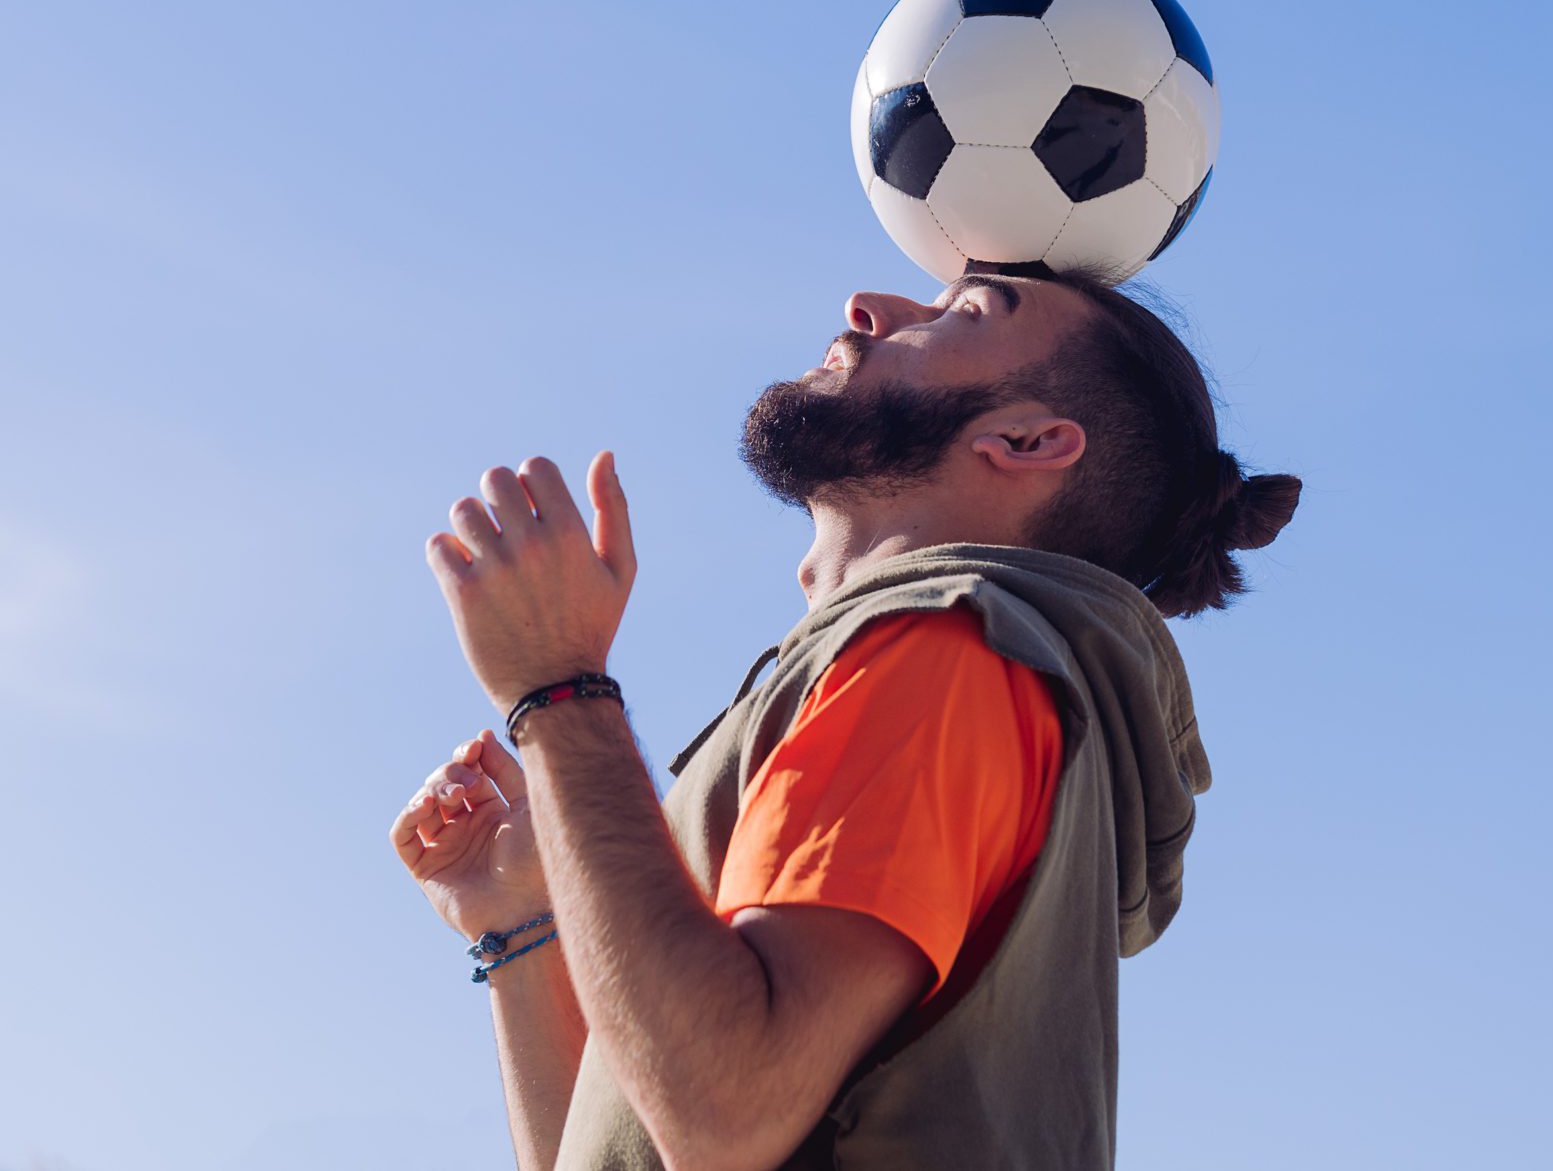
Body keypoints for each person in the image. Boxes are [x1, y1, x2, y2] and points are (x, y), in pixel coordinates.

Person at [390, 268, 1300, 1170]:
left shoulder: (944, 653)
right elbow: (649, 1138)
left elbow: (725, 1111)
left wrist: (558, 690)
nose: (870, 305)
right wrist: (517, 928)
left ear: (1024, 439)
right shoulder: (920, 660)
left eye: (963, 311)